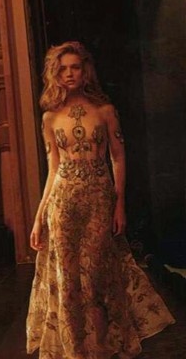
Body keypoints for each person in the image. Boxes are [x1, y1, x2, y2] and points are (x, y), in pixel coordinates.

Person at [26, 41, 175, 359]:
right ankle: (76, 350)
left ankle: (103, 346)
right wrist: (39, 218)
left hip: (99, 201)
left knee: (95, 277)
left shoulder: (105, 111)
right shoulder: (50, 117)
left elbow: (118, 158)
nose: (69, 74)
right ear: (55, 74)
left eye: (75, 67)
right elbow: (53, 170)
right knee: (68, 279)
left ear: (85, 71)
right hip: (63, 204)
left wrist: (119, 204)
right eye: (62, 69)